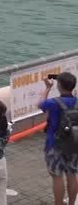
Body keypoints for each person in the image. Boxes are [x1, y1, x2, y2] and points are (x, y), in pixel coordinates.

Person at [39, 71, 78, 205]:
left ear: (59, 85)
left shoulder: (53, 103)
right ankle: (72, 203)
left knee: (57, 177)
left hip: (54, 144)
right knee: (72, 174)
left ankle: (58, 203)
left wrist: (47, 88)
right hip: (74, 144)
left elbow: (40, 104)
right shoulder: (77, 102)